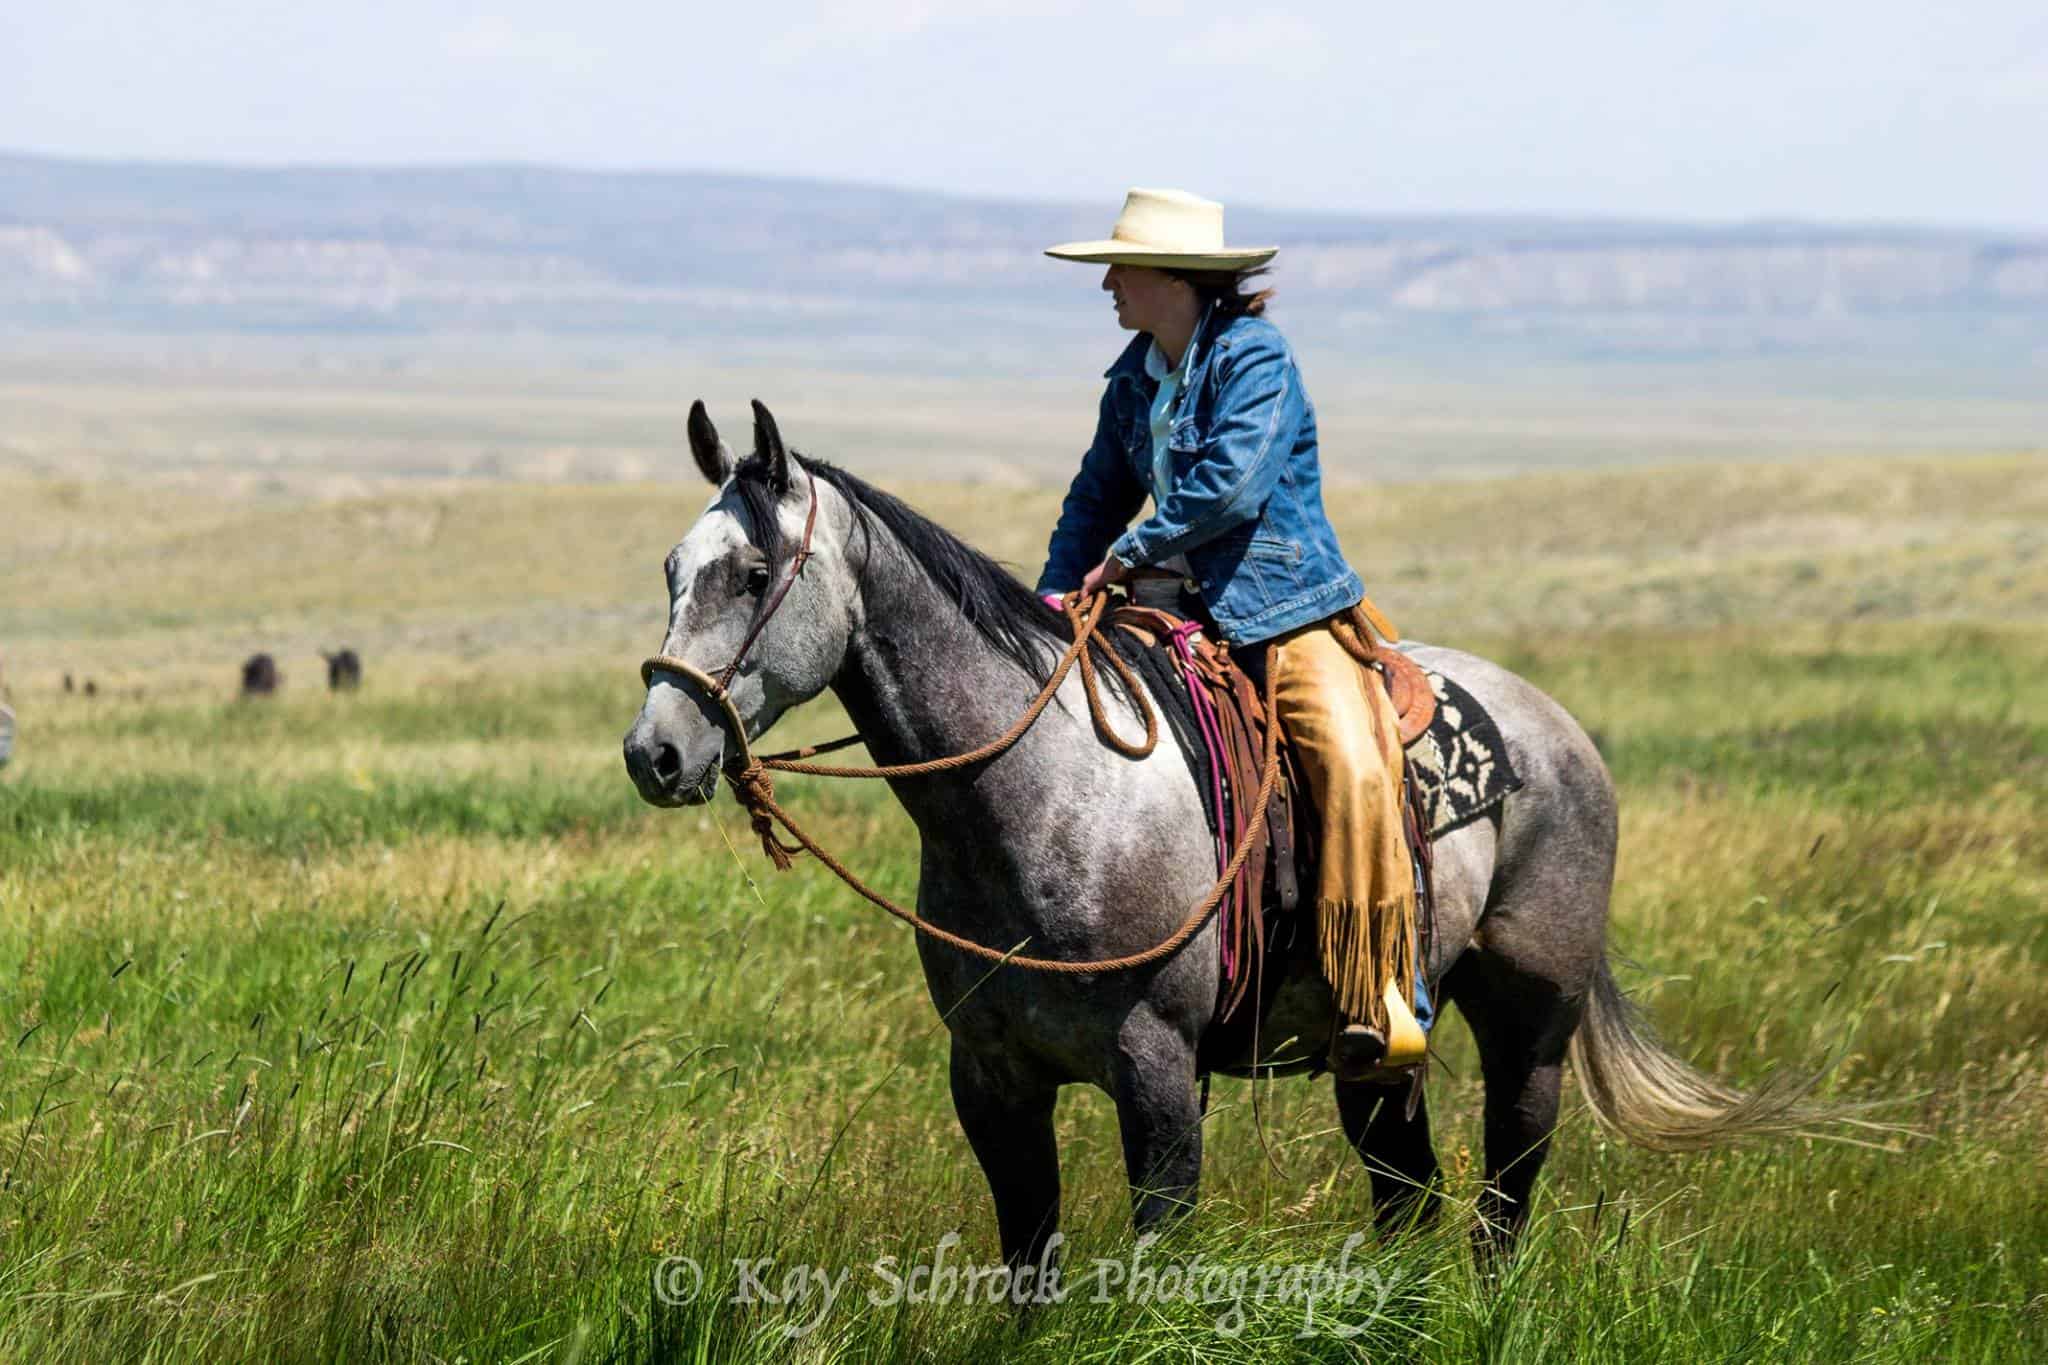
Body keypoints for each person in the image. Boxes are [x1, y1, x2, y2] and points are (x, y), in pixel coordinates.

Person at [1034, 187, 1429, 1080]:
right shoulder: (1136, 375)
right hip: (1167, 609)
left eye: (1120, 267)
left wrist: (1129, 551)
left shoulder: (1257, 359)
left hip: (1280, 611)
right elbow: (1095, 494)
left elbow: (1231, 487)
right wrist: (1051, 598)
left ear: (1174, 276)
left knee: (1353, 761)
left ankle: (1379, 991)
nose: (1106, 283)